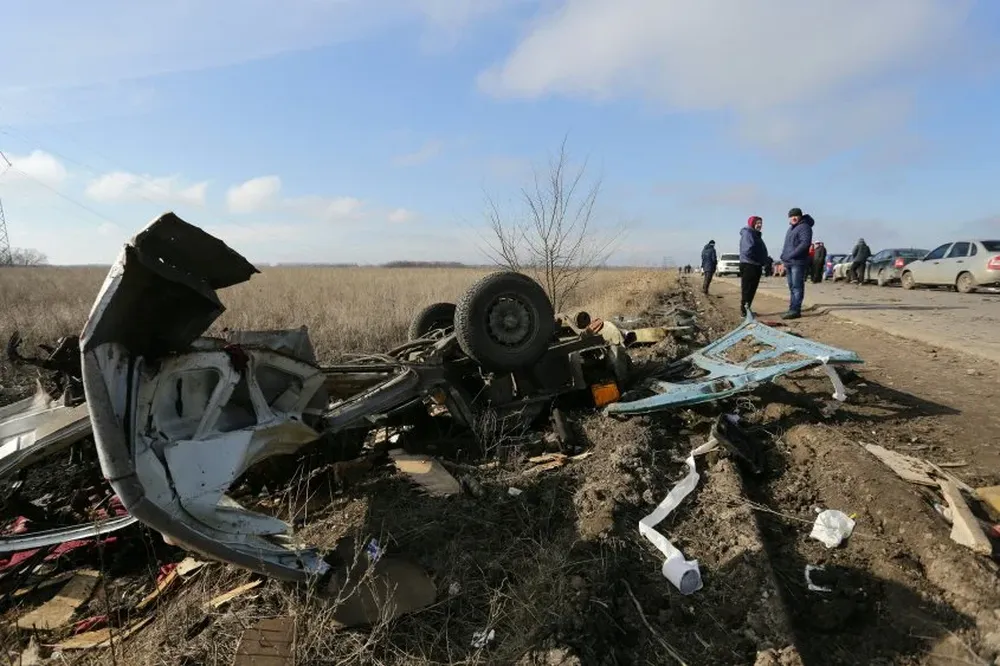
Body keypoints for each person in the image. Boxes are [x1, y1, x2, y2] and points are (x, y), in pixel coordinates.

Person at [779, 207, 815, 319]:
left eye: (796, 215)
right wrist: (783, 257)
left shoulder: (804, 227)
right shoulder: (791, 229)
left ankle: (795, 310)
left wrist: (791, 255)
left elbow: (804, 244)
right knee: (791, 286)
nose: (793, 218)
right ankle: (792, 308)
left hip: (798, 262)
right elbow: (787, 246)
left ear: (800, 216)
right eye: (791, 216)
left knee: (797, 286)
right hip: (789, 262)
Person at [738, 216, 768, 316]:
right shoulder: (748, 233)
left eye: (761, 223)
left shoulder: (755, 234)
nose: (760, 225)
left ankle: (747, 309)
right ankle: (744, 311)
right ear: (752, 223)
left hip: (755, 264)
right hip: (749, 264)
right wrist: (758, 259)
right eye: (758, 223)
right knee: (747, 289)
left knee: (752, 289)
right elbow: (748, 250)